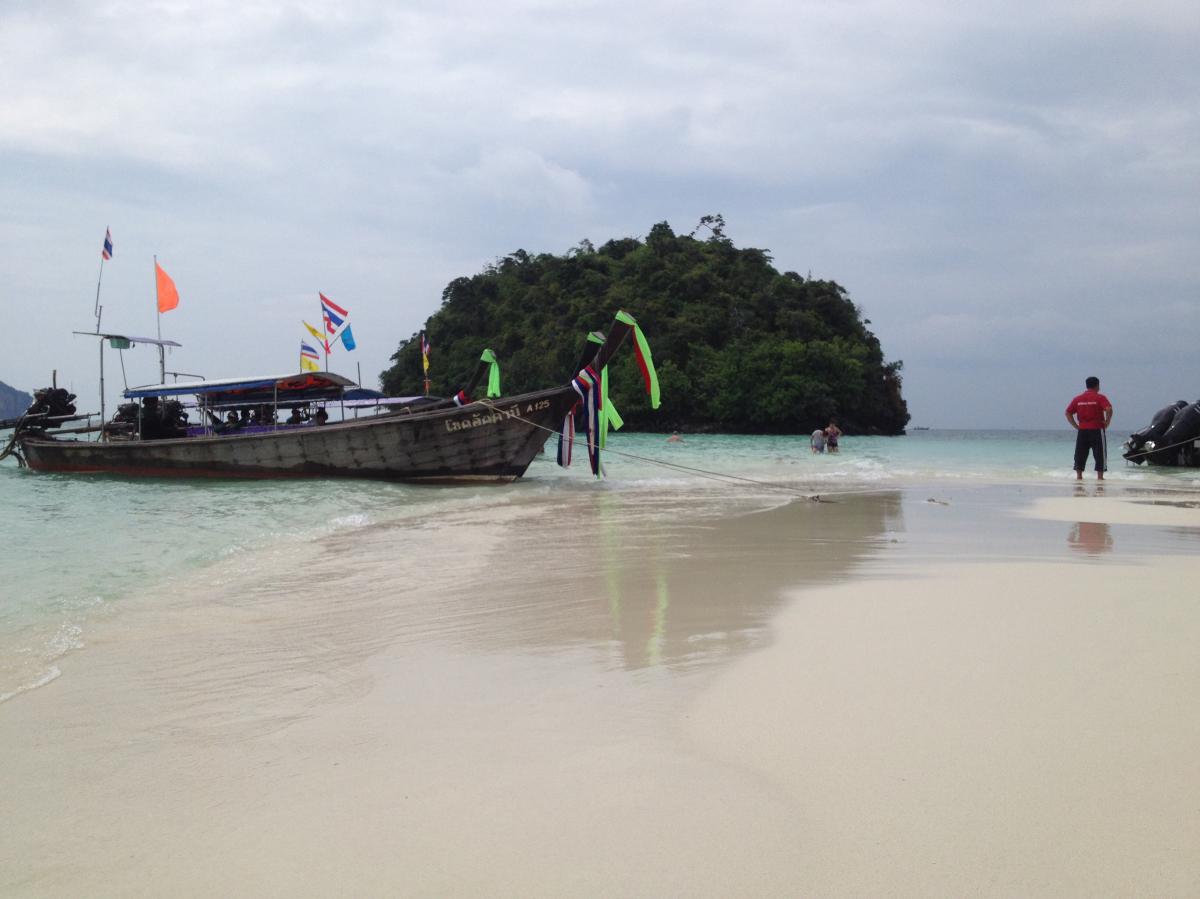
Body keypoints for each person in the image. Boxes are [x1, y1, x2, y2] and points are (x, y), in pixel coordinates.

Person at [1065, 376, 1113, 480]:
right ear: (1097, 385)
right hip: (1097, 429)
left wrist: (1076, 426)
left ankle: (1079, 476)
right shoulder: (1100, 397)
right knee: (1100, 454)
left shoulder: (1078, 399)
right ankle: (1100, 477)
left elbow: (1068, 412)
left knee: (1080, 453)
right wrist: (1107, 421)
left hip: (1082, 430)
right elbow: (1109, 409)